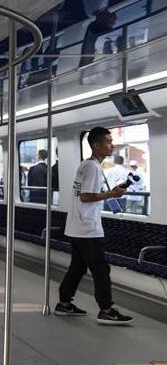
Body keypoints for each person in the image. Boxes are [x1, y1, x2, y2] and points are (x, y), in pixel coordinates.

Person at [56, 127, 133, 325]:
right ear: (96, 145)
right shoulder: (93, 168)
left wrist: (109, 193)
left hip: (77, 226)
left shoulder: (87, 165)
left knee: (78, 267)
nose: (112, 144)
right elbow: (86, 196)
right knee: (101, 269)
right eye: (108, 141)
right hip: (88, 228)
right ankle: (106, 309)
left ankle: (64, 303)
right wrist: (111, 194)